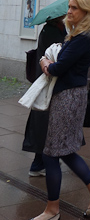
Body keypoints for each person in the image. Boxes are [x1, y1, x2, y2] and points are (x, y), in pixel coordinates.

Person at [24, 0, 90, 220]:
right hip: (70, 95)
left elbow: (58, 68)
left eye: (74, 8)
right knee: (65, 150)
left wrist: (44, 63)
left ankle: (52, 210)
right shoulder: (77, 35)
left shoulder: (83, 38)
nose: (69, 11)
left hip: (68, 97)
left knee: (52, 153)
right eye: (69, 7)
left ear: (86, 12)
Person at [23, 17, 67, 176]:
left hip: (50, 84)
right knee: (44, 124)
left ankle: (43, 161)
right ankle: (39, 163)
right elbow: (56, 57)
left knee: (46, 124)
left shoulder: (57, 30)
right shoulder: (51, 32)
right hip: (47, 84)